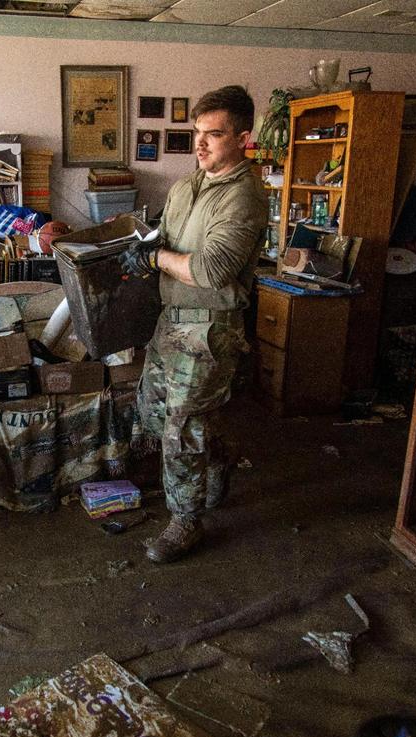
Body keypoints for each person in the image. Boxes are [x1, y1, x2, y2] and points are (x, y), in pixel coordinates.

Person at [119, 85, 269, 563]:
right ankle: (218, 459)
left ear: (243, 138)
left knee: (181, 428)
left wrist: (155, 257)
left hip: (209, 327)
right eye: (197, 133)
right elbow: (162, 237)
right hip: (171, 318)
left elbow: (211, 270)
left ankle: (185, 521)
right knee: (157, 413)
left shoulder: (244, 197)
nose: (200, 145)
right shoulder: (186, 187)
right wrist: (136, 245)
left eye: (214, 135)